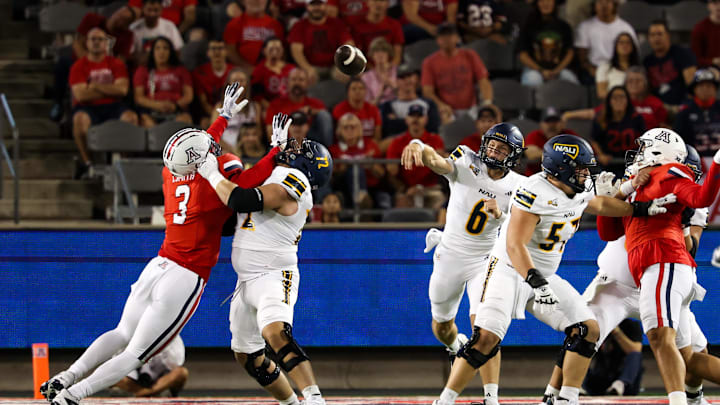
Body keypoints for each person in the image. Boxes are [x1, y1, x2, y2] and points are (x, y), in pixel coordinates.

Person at [42, 83, 282, 405]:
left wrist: (222, 117)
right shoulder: (217, 182)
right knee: (135, 354)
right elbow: (247, 184)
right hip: (184, 276)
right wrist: (275, 152)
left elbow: (198, 147)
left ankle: (65, 377)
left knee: (121, 333)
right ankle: (73, 394)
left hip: (157, 265)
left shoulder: (171, 175)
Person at [431, 134, 675, 405]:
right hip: (509, 270)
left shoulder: (579, 188)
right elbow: (514, 245)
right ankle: (445, 400)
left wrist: (641, 208)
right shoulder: (535, 190)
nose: (586, 174)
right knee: (485, 338)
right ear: (562, 167)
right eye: (580, 167)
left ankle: (566, 399)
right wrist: (536, 282)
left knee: (587, 329)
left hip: (544, 275)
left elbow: (602, 204)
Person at [195, 128, 333, 405]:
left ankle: (315, 399)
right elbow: (235, 208)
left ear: (305, 165)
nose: (291, 150)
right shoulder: (274, 174)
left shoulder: (295, 181)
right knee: (248, 356)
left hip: (273, 274)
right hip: (245, 280)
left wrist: (211, 173)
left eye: (298, 152)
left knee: (276, 333)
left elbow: (240, 199)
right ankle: (290, 403)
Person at [401, 123, 526, 405]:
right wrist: (419, 143)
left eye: (502, 147)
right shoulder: (466, 161)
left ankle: (491, 398)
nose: (493, 150)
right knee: (442, 326)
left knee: (486, 327)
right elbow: (436, 161)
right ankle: (456, 346)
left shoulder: (519, 186)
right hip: (450, 255)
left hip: (485, 259)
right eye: (491, 144)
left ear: (513, 154)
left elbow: (525, 229)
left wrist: (503, 218)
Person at [598, 129, 720, 405]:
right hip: (660, 269)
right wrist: (617, 195)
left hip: (665, 264)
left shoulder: (673, 173)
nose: (638, 154)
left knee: (657, 335)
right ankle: (692, 398)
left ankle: (681, 400)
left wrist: (684, 222)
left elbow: (698, 209)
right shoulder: (638, 182)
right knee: (692, 360)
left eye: (644, 148)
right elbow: (608, 233)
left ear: (658, 153)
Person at [69, 27, 138, 179]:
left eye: (100, 39)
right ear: (86, 43)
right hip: (88, 107)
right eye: (93, 39)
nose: (96, 42)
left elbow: (122, 91)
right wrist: (110, 88)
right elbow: (81, 95)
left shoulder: (117, 64)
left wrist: (94, 86)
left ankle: (123, 162)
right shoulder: (78, 66)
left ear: (107, 43)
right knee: (79, 120)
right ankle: (88, 163)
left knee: (130, 118)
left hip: (114, 106)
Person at [562, 66, 669, 130]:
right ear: (625, 83)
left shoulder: (655, 103)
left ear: (645, 84)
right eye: (630, 80)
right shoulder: (619, 101)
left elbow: (664, 127)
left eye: (638, 80)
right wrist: (569, 114)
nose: (634, 84)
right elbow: (593, 113)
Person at [421, 23, 492, 118]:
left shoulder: (469, 55)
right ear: (437, 40)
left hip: (472, 108)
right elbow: (427, 91)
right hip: (446, 110)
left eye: (450, 35)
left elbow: (483, 80)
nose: (446, 39)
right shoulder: (429, 62)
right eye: (443, 36)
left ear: (457, 38)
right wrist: (440, 105)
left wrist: (487, 102)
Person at [386, 104, 445, 208]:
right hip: (406, 188)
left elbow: (441, 168)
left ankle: (438, 224)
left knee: (439, 200)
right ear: (406, 119)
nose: (415, 119)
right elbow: (391, 171)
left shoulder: (435, 140)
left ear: (426, 119)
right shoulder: (397, 142)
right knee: (401, 202)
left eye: (419, 116)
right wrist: (404, 189)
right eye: (412, 116)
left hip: (431, 188)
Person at [328, 112, 388, 209]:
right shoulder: (333, 150)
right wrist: (341, 169)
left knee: (383, 199)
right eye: (345, 127)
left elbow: (381, 174)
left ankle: (363, 200)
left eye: (353, 127)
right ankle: (361, 200)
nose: (349, 131)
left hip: (371, 188)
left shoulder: (370, 146)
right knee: (355, 170)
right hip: (344, 188)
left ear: (360, 129)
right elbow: (331, 178)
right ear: (339, 130)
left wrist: (371, 165)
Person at [288, 0, 354, 85]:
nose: (316, 8)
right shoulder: (299, 26)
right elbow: (296, 51)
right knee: (304, 78)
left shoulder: (337, 23)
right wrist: (307, 68)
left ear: (325, 6)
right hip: (312, 67)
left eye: (319, 4)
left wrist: (342, 64)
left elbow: (349, 45)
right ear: (307, 7)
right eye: (313, 5)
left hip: (334, 66)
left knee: (346, 73)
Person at [133, 36, 194, 128]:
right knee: (146, 122)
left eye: (165, 48)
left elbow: (188, 96)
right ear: (152, 52)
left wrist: (175, 105)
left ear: (171, 52)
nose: (161, 52)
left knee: (183, 120)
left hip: (176, 110)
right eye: (157, 48)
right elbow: (139, 97)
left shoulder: (181, 70)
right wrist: (157, 105)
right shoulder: (143, 70)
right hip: (150, 110)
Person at [265, 68, 333, 147]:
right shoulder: (276, 104)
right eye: (293, 79)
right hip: (285, 144)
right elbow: (270, 134)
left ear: (307, 83)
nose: (297, 83)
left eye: (301, 80)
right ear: (287, 83)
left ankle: (326, 152)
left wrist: (311, 111)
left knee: (324, 115)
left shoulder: (316, 104)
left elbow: (326, 118)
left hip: (312, 144)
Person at [517, 0, 578, 87]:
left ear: (555, 3)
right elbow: (522, 54)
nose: (545, 3)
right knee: (533, 79)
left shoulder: (564, 26)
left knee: (570, 79)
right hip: (534, 69)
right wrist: (541, 70)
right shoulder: (528, 26)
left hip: (559, 69)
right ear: (537, 4)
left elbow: (570, 52)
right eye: (541, 1)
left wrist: (557, 70)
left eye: (549, 0)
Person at [575, 0, 637, 83]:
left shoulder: (626, 28)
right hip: (595, 69)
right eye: (600, 2)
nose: (604, 6)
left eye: (607, 2)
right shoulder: (585, 27)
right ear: (595, 5)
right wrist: (592, 70)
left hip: (619, 69)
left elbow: (633, 55)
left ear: (614, 4)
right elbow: (582, 59)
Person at [590, 86, 646, 175]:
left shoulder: (637, 118)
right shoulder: (600, 119)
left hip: (632, 164)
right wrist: (601, 155)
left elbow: (644, 139)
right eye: (615, 97)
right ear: (609, 101)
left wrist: (640, 155)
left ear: (627, 100)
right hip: (609, 164)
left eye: (622, 97)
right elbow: (594, 140)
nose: (618, 100)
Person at [582, 319, 644, 396]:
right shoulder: (597, 325)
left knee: (635, 355)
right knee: (579, 351)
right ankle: (578, 386)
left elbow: (636, 350)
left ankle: (619, 384)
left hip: (625, 382)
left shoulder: (631, 325)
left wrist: (616, 331)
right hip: (599, 378)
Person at [111, 336, 188, 398]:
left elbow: (176, 367)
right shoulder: (130, 335)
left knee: (181, 373)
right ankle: (145, 393)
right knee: (112, 374)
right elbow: (117, 365)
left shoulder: (173, 338)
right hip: (134, 381)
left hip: (160, 383)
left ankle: (143, 393)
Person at [644, 20, 697, 108]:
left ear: (668, 36)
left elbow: (692, 86)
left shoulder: (682, 53)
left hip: (682, 105)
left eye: (660, 34)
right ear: (648, 38)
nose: (656, 38)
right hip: (658, 108)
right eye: (652, 35)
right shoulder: (647, 61)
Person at [380, 64, 440, 140]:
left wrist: (398, 122)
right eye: (402, 77)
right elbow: (387, 129)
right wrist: (419, 123)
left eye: (410, 76)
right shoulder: (387, 106)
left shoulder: (429, 104)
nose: (407, 80)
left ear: (415, 78)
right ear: (396, 81)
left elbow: (433, 127)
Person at [223, 0, 284, 70]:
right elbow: (230, 53)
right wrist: (250, 69)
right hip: (243, 73)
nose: (256, 1)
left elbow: (282, 53)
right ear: (243, 1)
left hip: (270, 73)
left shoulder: (276, 25)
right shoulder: (233, 25)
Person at [213, 69, 264, 149]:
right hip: (225, 150)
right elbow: (214, 135)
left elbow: (258, 133)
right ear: (228, 83)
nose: (238, 84)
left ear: (247, 83)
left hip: (248, 150)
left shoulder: (255, 107)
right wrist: (231, 151)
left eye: (242, 80)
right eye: (235, 81)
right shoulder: (219, 106)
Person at [674, 68, 720, 157]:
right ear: (694, 89)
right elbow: (679, 141)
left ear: (715, 89)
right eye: (701, 85)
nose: (705, 89)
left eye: (709, 85)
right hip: (695, 162)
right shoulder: (684, 113)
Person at [524, 107, 577, 176]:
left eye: (555, 121)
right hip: (537, 177)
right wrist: (561, 154)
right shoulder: (534, 135)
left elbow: (582, 153)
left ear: (562, 124)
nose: (552, 125)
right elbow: (531, 154)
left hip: (563, 179)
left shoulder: (569, 135)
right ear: (541, 124)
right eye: (547, 121)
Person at [193, 40, 234, 127]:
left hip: (233, 113)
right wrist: (217, 116)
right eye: (213, 49)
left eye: (220, 48)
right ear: (208, 53)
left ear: (226, 51)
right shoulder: (200, 72)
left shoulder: (234, 71)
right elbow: (204, 102)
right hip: (210, 113)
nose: (217, 52)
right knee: (204, 123)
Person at [349, 0, 404, 65]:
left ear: (388, 3)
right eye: (374, 0)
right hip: (366, 70)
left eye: (382, 1)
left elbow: (397, 56)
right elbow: (358, 57)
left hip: (390, 69)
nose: (378, 4)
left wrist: (389, 69)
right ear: (367, 2)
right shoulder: (357, 28)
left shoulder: (395, 25)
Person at [251, 37, 296, 109]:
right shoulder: (259, 70)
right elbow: (257, 96)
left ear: (283, 50)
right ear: (264, 50)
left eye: (278, 49)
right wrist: (272, 108)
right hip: (270, 107)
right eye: (271, 49)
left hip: (291, 105)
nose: (275, 52)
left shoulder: (291, 68)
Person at [596, 32, 639, 100]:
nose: (625, 45)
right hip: (614, 104)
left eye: (628, 42)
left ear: (633, 46)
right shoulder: (605, 67)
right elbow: (601, 93)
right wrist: (621, 99)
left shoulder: (639, 68)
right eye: (621, 42)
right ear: (615, 46)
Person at [361, 37, 399, 105]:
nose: (380, 54)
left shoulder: (398, 70)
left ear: (388, 54)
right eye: (377, 51)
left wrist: (392, 85)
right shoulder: (366, 77)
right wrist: (380, 94)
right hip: (378, 109)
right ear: (372, 55)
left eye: (383, 51)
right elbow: (368, 105)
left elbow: (407, 94)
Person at [691, 0, 720, 68]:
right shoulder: (699, 28)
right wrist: (713, 61)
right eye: (715, 2)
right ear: (708, 5)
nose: (719, 7)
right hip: (708, 70)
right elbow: (694, 59)